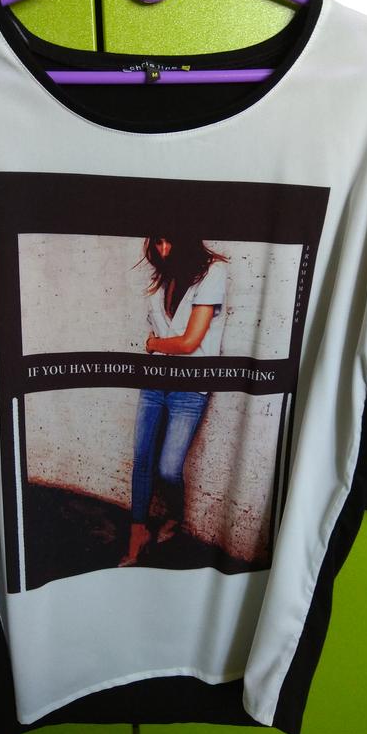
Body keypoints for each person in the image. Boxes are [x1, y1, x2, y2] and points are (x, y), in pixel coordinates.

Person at [119, 234, 229, 567]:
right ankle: (137, 535)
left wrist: (153, 345)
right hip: (155, 381)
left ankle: (175, 515)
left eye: (170, 242)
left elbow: (190, 342)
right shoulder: (161, 278)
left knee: (168, 468)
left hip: (190, 387)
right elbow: (170, 334)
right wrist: (161, 345)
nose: (164, 251)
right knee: (142, 460)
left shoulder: (213, 272)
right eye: (158, 243)